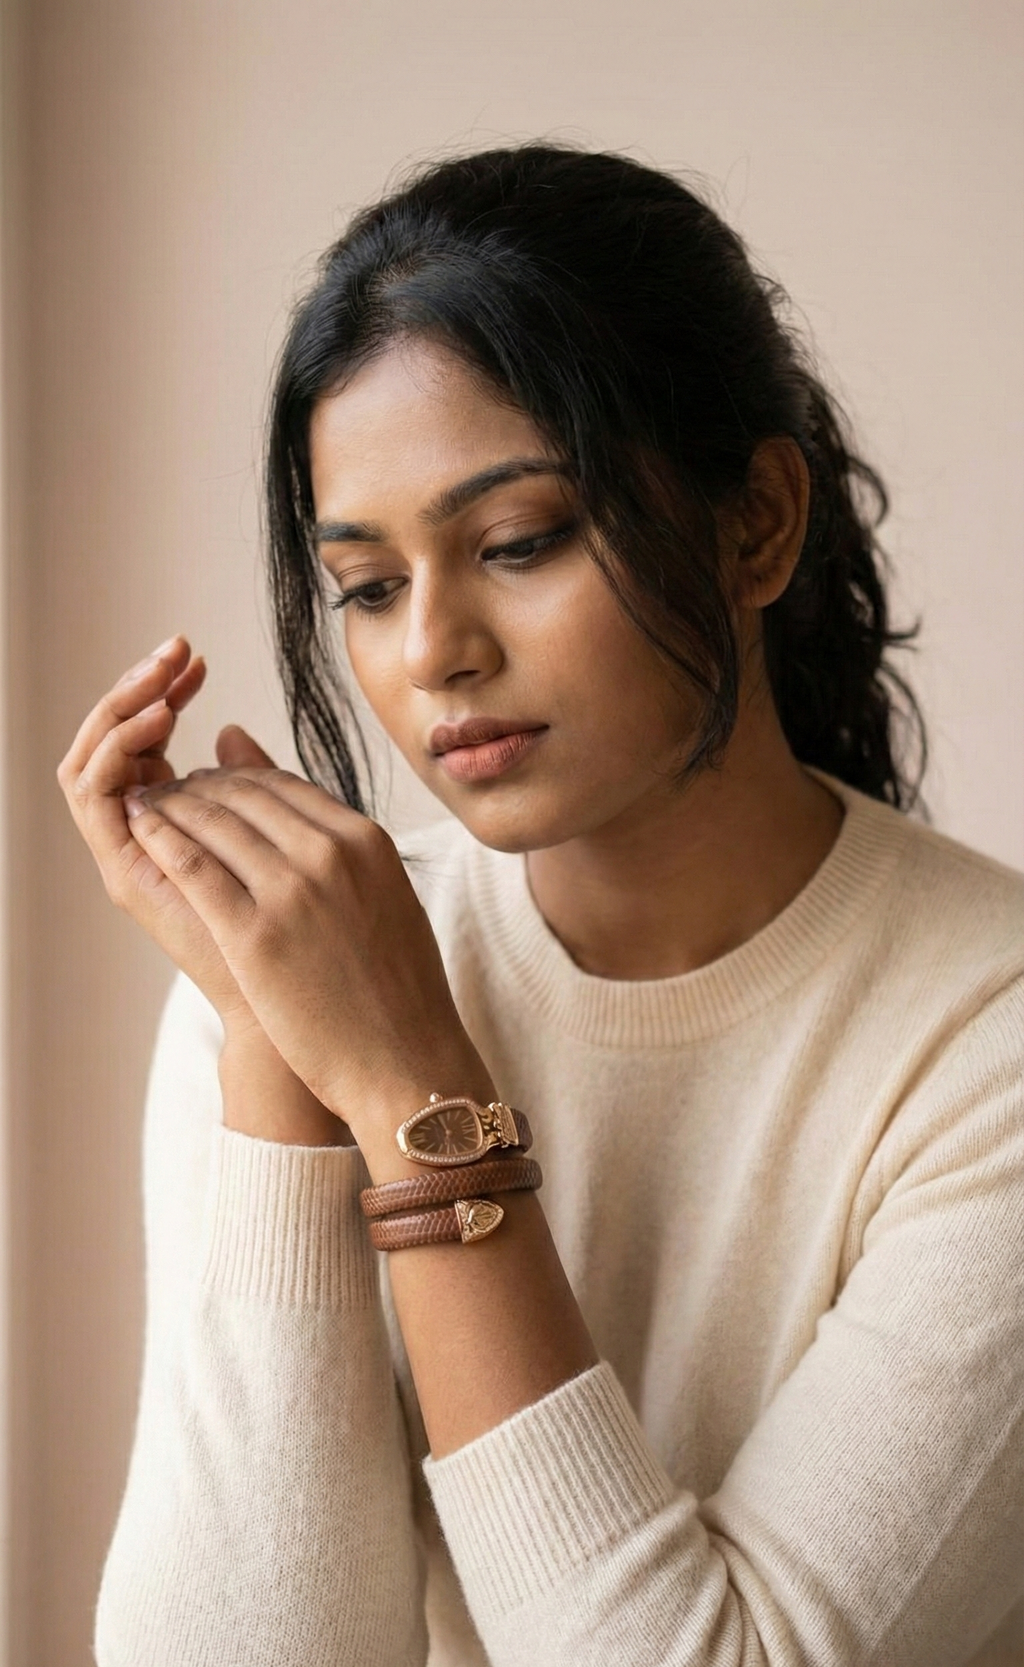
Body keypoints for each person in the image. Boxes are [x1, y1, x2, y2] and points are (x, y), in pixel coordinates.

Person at [59, 145, 1022, 1667]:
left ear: (760, 522)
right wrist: (276, 1053)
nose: (433, 650)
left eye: (518, 543)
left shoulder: (988, 1045)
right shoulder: (306, 969)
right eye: (369, 586)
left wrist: (412, 1093)